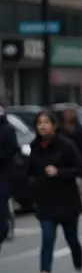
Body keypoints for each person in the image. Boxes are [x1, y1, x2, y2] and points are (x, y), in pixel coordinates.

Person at [28, 110, 82, 273]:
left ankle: (79, 269)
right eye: (39, 123)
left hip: (67, 200)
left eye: (46, 122)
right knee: (47, 238)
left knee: (71, 239)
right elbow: (31, 171)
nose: (42, 126)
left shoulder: (66, 145)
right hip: (46, 201)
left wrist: (59, 172)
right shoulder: (34, 146)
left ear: (54, 125)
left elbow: (80, 169)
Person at [0, 105, 20, 250]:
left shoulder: (6, 129)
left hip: (3, 172)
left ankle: (5, 228)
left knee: (3, 200)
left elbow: (12, 148)